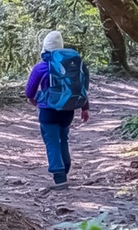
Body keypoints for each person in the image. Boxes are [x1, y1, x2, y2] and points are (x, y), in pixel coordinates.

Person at [25, 31, 90, 190]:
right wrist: (84, 107)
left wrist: (34, 100)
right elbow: (82, 86)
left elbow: (29, 91)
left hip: (48, 110)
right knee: (63, 138)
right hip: (68, 109)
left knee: (52, 141)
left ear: (45, 47)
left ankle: (59, 176)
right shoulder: (74, 64)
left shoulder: (41, 66)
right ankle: (66, 167)